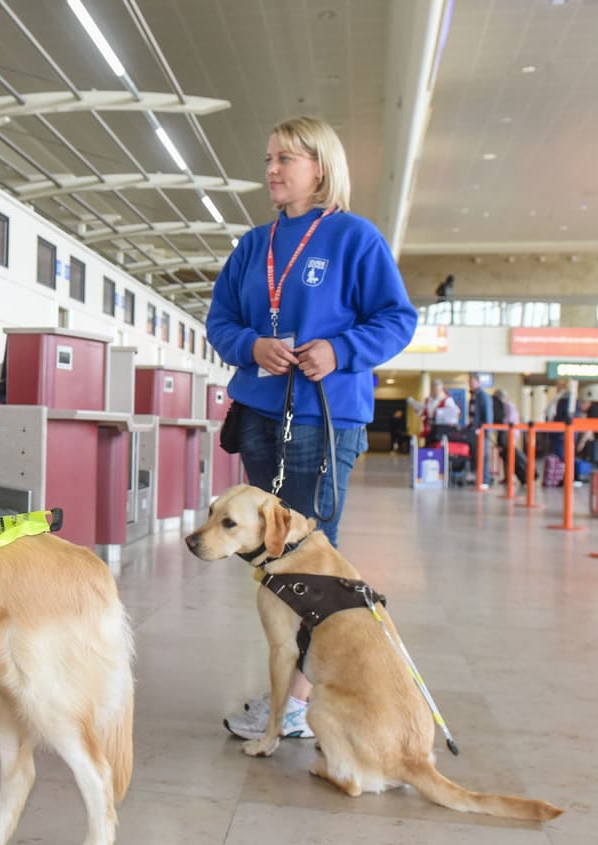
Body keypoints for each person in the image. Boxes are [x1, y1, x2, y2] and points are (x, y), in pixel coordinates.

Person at [205, 115, 416, 743]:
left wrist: (341, 350)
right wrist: (252, 345)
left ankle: (296, 703)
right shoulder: (253, 245)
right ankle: (286, 689)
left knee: (310, 559)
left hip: (325, 416)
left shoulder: (355, 238)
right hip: (261, 415)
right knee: (271, 558)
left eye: (287, 159)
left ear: (319, 168)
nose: (272, 169)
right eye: (269, 158)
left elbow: (396, 319)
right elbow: (219, 320)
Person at [466, 373, 493, 486]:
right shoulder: (473, 396)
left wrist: (485, 430)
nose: (470, 384)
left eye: (472, 382)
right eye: (469, 382)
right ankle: (478, 477)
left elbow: (487, 415)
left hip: (482, 431)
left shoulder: (483, 396)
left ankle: (485, 479)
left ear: (477, 382)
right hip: (474, 430)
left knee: (484, 456)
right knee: (476, 455)